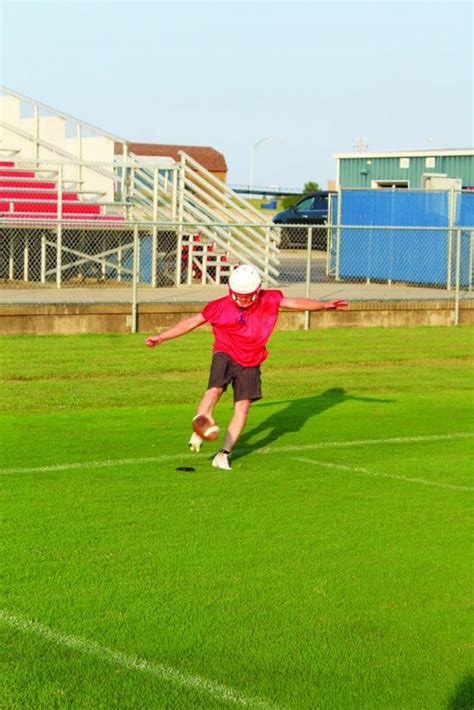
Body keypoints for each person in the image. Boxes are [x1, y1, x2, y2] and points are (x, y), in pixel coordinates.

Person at [144, 264, 347, 470]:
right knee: (214, 391)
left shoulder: (267, 299)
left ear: (257, 290)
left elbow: (295, 302)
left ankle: (222, 455)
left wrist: (323, 305)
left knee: (242, 407)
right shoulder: (220, 306)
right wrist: (161, 337)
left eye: (247, 295)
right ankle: (200, 427)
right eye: (239, 295)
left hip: (251, 358)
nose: (242, 300)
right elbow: (190, 323)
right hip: (225, 352)